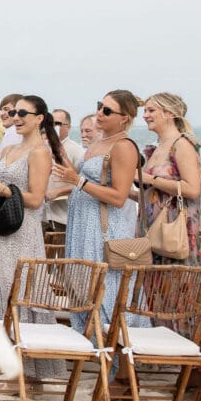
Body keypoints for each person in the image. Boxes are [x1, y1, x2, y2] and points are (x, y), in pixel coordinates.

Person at [0, 95, 65, 382]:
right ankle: (12, 364)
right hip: (4, 230)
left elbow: (36, 199)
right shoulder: (9, 148)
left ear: (40, 118)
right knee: (5, 292)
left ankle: (32, 370)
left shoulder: (40, 152)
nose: (18, 116)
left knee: (24, 293)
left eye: (24, 112)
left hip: (25, 231)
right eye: (14, 112)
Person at [52, 90, 149, 337]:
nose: (99, 113)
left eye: (107, 110)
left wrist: (78, 181)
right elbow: (88, 178)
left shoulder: (124, 146)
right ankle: (95, 349)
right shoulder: (98, 143)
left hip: (103, 227)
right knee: (82, 286)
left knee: (105, 289)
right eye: (99, 106)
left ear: (124, 118)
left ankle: (117, 361)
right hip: (82, 223)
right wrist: (69, 171)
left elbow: (118, 196)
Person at [140, 92, 201, 330]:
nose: (145, 116)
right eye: (145, 110)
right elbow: (152, 194)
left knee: (188, 300)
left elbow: (192, 189)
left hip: (183, 234)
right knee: (165, 298)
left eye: (151, 110)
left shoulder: (182, 144)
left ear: (169, 114)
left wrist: (151, 179)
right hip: (157, 235)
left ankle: (199, 361)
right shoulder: (156, 148)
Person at [43, 109, 86, 232]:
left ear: (68, 127)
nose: (53, 127)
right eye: (50, 123)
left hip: (64, 216)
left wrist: (58, 192)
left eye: (57, 123)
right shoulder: (42, 148)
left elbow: (84, 183)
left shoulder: (76, 150)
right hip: (43, 215)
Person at [0, 93, 23, 158]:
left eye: (6, 109)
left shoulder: (13, 132)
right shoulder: (14, 131)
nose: (1, 113)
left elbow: (6, 161)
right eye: (1, 110)